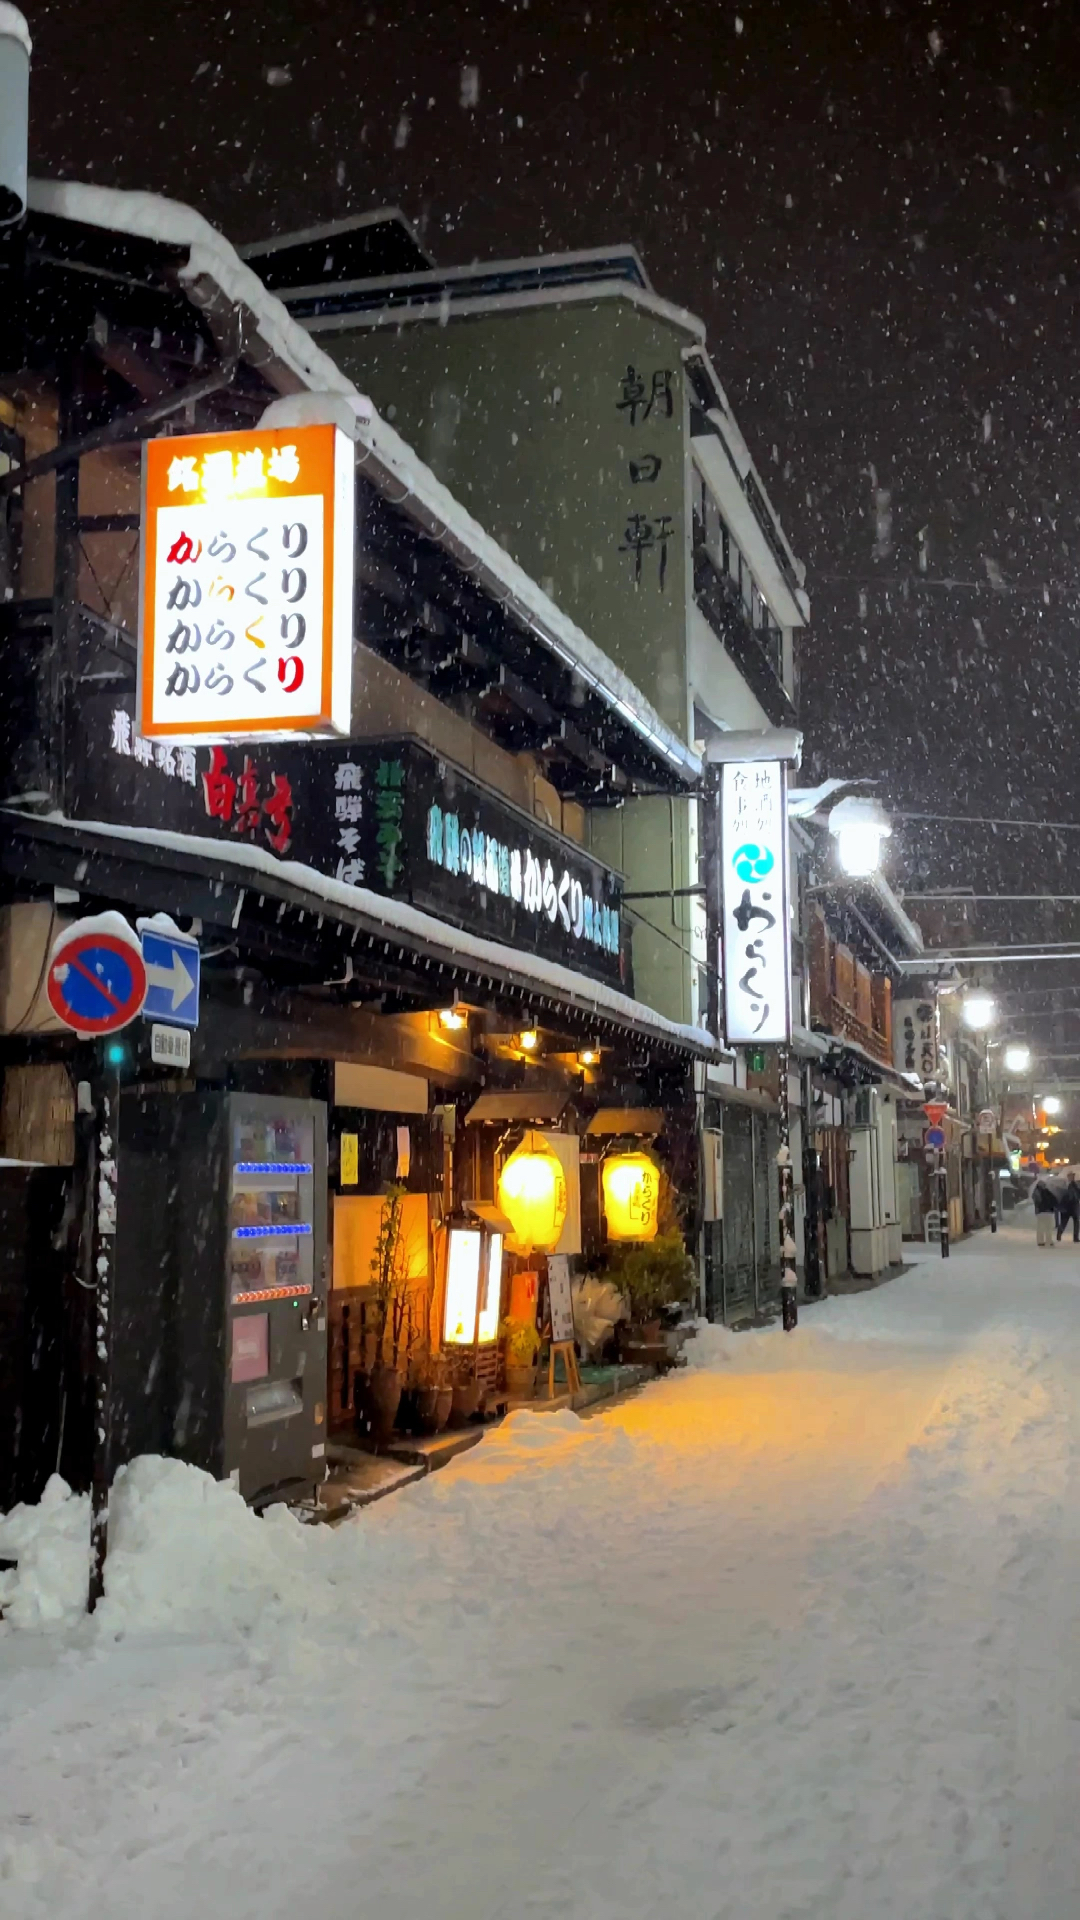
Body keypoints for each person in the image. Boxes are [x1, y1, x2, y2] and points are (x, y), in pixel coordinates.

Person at [1033, 1176, 1059, 1247]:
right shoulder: (1048, 1192)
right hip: (1048, 1211)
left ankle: (1040, 1241)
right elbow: (1055, 1200)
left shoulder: (1036, 1192)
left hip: (1040, 1212)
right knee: (1048, 1228)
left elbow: (1037, 1202)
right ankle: (1049, 1241)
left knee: (1040, 1227)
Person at [1057, 1172, 1080, 1243]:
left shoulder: (1076, 1185)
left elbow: (1078, 1194)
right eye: (1071, 1176)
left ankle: (1075, 1237)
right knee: (1064, 1221)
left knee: (1076, 1221)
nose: (1072, 1177)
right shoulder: (1064, 1185)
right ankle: (1059, 1233)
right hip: (1066, 1206)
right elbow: (1061, 1195)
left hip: (1075, 1205)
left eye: (1073, 1176)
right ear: (1068, 1177)